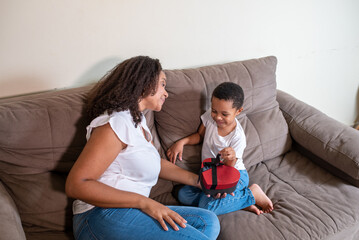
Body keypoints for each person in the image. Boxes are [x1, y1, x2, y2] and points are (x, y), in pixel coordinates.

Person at [65, 56, 220, 240]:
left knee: (207, 221)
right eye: (162, 84)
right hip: (98, 214)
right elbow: (76, 185)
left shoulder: (138, 123)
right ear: (144, 84)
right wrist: (144, 202)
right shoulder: (115, 124)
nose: (166, 93)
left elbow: (155, 163)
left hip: (130, 211)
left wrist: (201, 182)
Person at [166, 82, 274, 216]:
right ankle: (235, 203)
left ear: (238, 111)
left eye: (224, 114)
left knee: (207, 208)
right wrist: (182, 142)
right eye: (214, 111)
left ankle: (252, 194)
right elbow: (200, 136)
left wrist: (231, 157)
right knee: (183, 194)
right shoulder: (210, 118)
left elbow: (229, 168)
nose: (217, 117)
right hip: (210, 175)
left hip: (233, 175)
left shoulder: (238, 137)